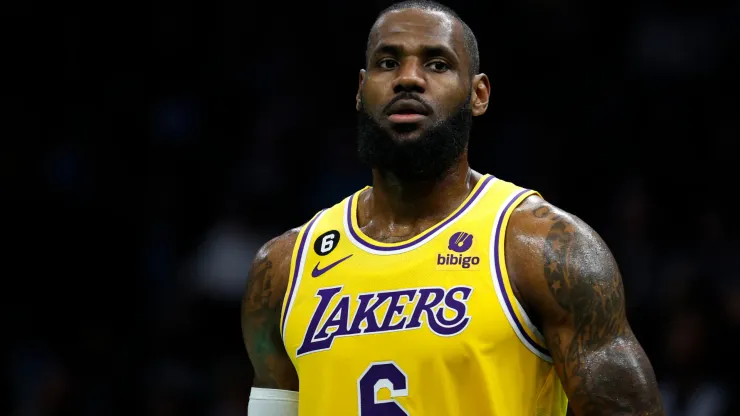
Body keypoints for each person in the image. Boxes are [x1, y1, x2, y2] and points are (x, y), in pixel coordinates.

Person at [242, 1, 665, 415]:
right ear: (360, 90)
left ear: (478, 94)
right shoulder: (282, 267)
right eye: (388, 63)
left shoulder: (545, 250)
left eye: (437, 64)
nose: (408, 78)